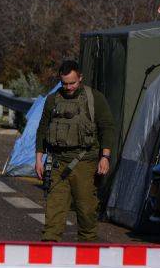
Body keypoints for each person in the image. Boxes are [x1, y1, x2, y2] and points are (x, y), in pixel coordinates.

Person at [35, 59, 115, 242]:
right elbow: (42, 129)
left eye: (72, 82)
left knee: (86, 212)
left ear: (80, 78)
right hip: (58, 162)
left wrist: (105, 157)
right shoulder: (53, 100)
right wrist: (38, 158)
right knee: (53, 214)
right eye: (64, 83)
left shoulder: (95, 98)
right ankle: (48, 255)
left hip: (85, 162)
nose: (69, 87)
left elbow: (107, 128)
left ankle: (88, 257)